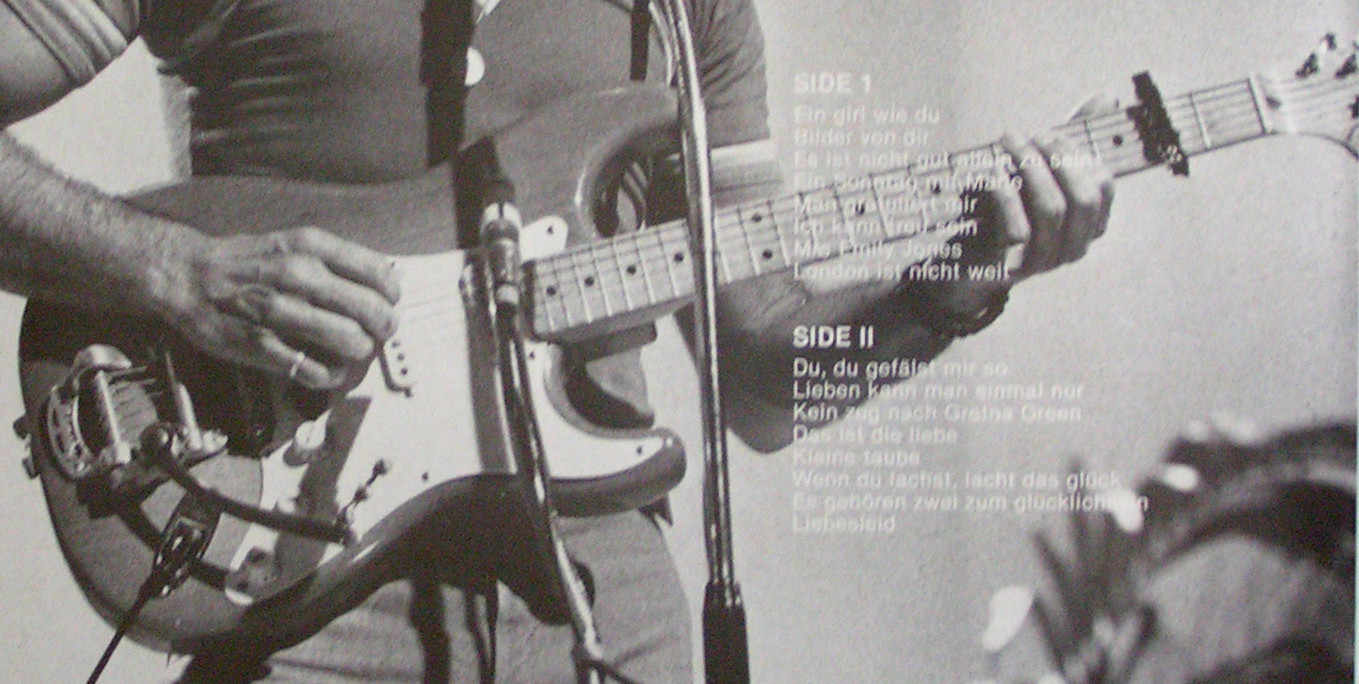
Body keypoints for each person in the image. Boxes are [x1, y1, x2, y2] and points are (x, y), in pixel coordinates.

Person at [0, 0, 1114, 681]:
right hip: (301, 602)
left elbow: (763, 381)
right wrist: (177, 273)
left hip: (599, 607)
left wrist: (948, 290)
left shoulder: (683, 8)